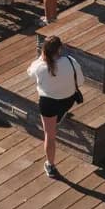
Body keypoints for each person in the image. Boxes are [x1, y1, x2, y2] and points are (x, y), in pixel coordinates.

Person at [27, 35, 81, 179]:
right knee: (58, 115)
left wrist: (40, 59)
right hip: (67, 100)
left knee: (49, 135)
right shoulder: (71, 61)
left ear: (43, 50)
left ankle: (50, 165)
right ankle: (59, 117)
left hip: (48, 104)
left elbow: (30, 73)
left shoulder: (39, 66)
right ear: (60, 49)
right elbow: (80, 81)